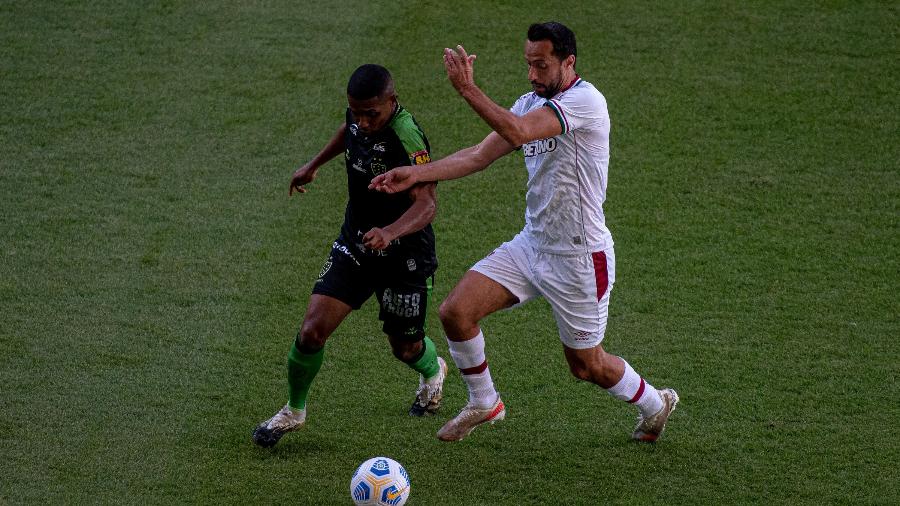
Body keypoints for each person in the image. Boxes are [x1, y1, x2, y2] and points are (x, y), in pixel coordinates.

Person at [369, 23, 678, 442]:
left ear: (568, 62)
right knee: (455, 312)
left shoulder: (586, 101)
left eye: (541, 65)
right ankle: (484, 402)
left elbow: (518, 132)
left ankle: (655, 405)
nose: (532, 74)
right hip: (532, 246)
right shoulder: (529, 102)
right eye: (528, 64)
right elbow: (479, 154)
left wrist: (468, 91)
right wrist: (415, 173)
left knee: (587, 366)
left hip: (580, 258)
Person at [253, 64, 448, 448]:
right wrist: (313, 165)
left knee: (404, 346)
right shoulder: (359, 116)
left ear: (392, 102)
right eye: (356, 111)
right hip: (356, 242)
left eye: (371, 114)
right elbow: (348, 131)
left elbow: (427, 205)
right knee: (311, 331)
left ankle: (433, 371)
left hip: (404, 255)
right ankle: (294, 410)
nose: (363, 121)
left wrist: (390, 232)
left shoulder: (407, 136)